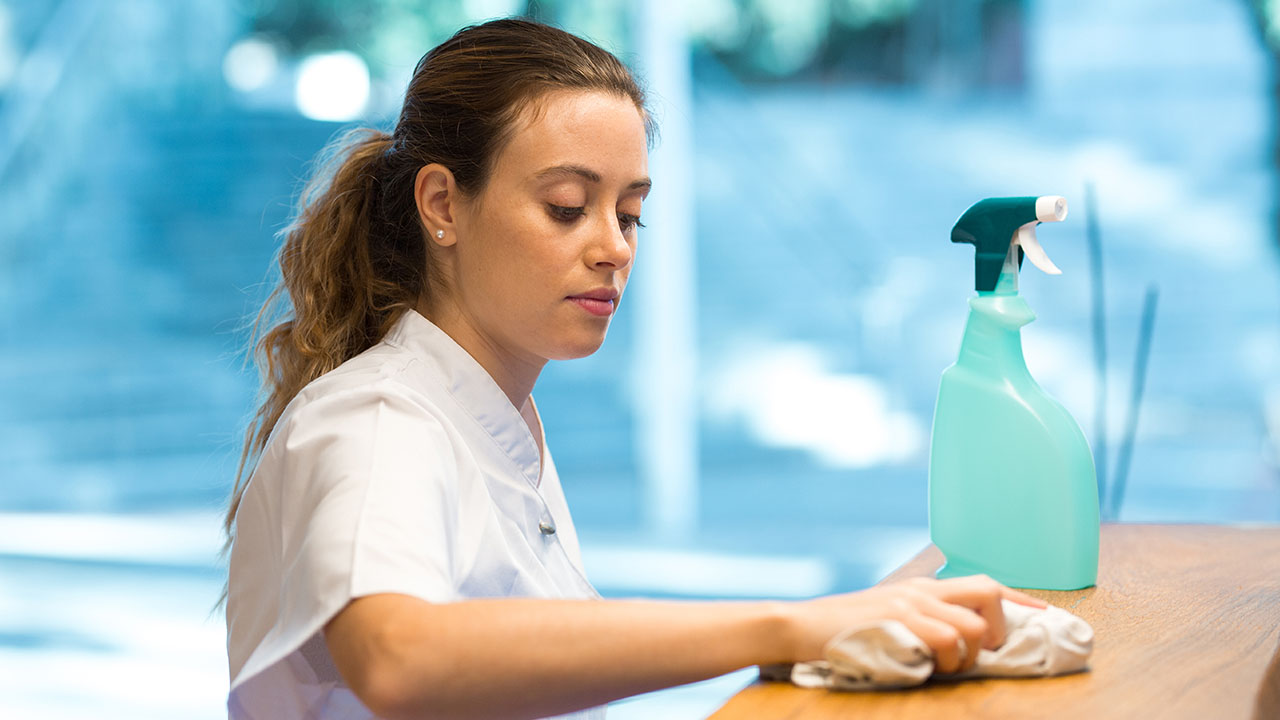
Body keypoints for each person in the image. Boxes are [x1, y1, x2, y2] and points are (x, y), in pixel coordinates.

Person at [222, 17, 1045, 720]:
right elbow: (395, 655)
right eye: (568, 209)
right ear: (443, 206)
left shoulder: (497, 420)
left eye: (630, 213)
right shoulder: (378, 420)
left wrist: (864, 618)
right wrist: (791, 626)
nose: (614, 248)